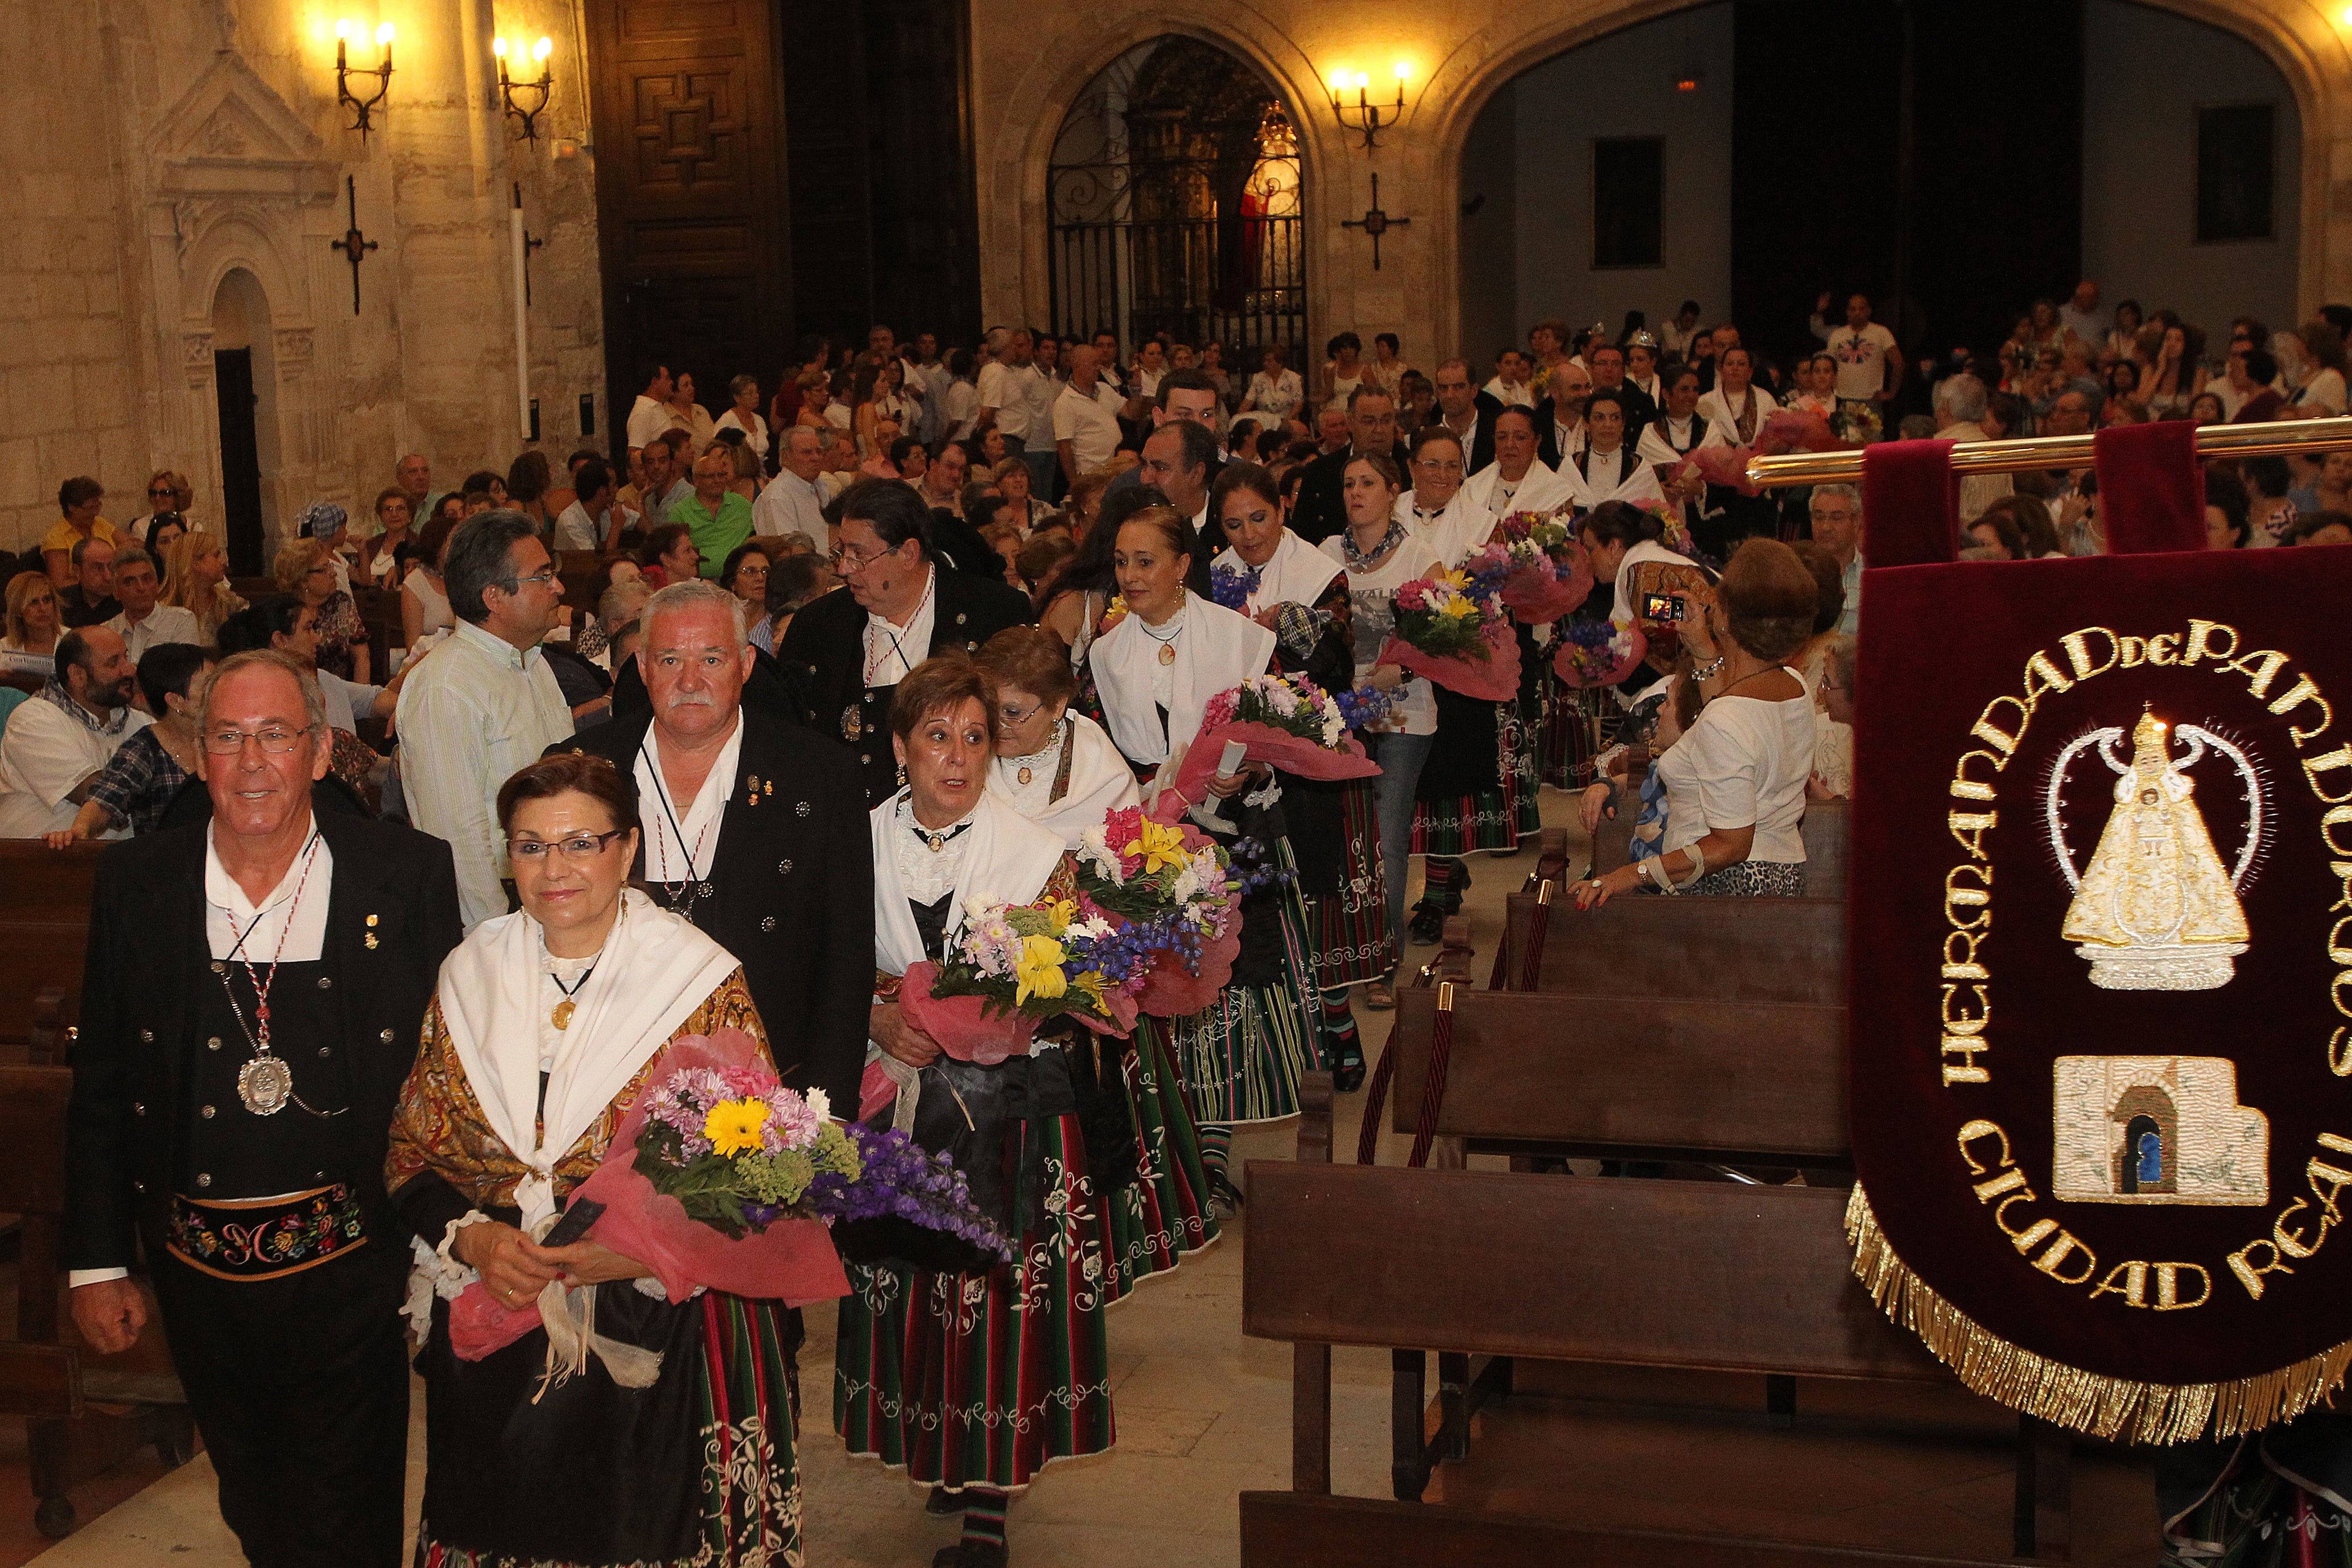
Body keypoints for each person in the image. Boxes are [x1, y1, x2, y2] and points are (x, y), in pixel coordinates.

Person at [62, 647, 459, 1566]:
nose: (252, 763)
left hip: (355, 1261)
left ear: (320, 750)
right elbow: (106, 1084)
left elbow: (443, 1076)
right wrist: (94, 1262)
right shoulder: (138, 884)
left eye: (275, 736)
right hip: (197, 1269)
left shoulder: (403, 874)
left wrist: (443, 1242)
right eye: (230, 738)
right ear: (199, 755)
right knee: (255, 1499)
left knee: (349, 1507)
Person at [388, 749, 804, 1567]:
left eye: (581, 843)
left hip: (662, 1324)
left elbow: (761, 1167)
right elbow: (410, 1156)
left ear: (628, 849)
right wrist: (471, 1240)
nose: (555, 870)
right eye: (531, 846)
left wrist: (638, 1250)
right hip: (501, 1304)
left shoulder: (695, 981)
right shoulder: (469, 974)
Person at [1081, 504, 1321, 1208]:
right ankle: (1177, 1153)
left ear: (1184, 565)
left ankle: (1212, 1152)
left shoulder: (1241, 637)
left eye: (1146, 560)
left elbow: (1275, 730)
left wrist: (1246, 771)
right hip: (1153, 840)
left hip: (1234, 830)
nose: (1130, 576)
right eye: (1121, 562)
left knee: (1228, 993)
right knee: (1169, 988)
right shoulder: (1104, 651)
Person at [562, 574, 872, 1119]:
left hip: (770, 1086)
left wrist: (827, 1113)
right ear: (640, 667)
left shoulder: (820, 775)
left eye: (711, 659)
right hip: (609, 1082)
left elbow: (845, 960)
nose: (690, 681)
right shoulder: (581, 767)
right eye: (668, 661)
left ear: (747, 665)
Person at [1212, 458, 1385, 1054]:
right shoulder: (1212, 576)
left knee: (1313, 886)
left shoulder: (1319, 571)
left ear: (1282, 511)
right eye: (1234, 524)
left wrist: (1286, 624)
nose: (1250, 534)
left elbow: (1341, 660)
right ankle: (1280, 1038)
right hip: (1242, 757)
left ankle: (1336, 1015)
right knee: (1258, 893)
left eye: (1260, 517)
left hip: (1310, 754)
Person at [1573, 539, 1820, 905]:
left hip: (1724, 890)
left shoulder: (1726, 719)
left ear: (1727, 616)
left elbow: (1729, 845)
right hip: (1779, 878)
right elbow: (1733, 715)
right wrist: (1703, 646)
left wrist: (1628, 875)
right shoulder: (1793, 685)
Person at [779, 478, 1033, 804]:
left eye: (859, 555)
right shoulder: (817, 626)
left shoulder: (995, 614)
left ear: (909, 553)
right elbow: (791, 739)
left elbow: (1022, 731)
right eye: (842, 552)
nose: (844, 569)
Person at [396, 510, 575, 927]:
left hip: (556, 885)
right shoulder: (446, 686)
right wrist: (496, 937)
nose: (558, 587)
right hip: (504, 906)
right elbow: (457, 838)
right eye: (543, 576)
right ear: (494, 596)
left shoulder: (533, 662)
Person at [1313, 455, 1437, 1000]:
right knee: (1341, 839)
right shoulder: (1323, 556)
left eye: (1368, 483)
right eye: (1348, 484)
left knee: (1386, 836)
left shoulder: (1419, 555)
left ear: (1393, 492)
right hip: (1337, 717)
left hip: (1403, 714)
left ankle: (1386, 960)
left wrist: (1403, 668)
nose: (1356, 492)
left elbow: (1444, 637)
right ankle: (1345, 950)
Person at [46, 643, 212, 844]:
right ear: (175, 701)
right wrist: (80, 830)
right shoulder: (145, 749)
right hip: (164, 864)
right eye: (209, 686)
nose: (220, 692)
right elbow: (106, 799)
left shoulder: (228, 738)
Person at [0, 626, 151, 837]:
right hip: (43, 863)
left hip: (118, 861)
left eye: (126, 658)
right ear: (78, 675)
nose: (130, 670)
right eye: (114, 662)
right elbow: (102, 796)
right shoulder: (33, 719)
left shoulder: (140, 720)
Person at [1289, 385, 1410, 546]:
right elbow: (1302, 540)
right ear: (1350, 422)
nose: (1379, 429)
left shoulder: (1412, 468)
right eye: (1369, 421)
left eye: (1386, 421)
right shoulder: (1320, 472)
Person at [277, 531, 371, 683]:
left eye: (331, 567)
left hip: (339, 687)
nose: (333, 573)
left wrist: (361, 695)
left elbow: (361, 656)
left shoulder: (341, 602)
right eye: (324, 569)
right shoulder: (287, 610)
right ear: (303, 580)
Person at [103, 544, 200, 661]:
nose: (141, 587)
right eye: (130, 582)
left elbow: (186, 672)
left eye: (147, 579)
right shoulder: (107, 632)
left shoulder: (181, 621)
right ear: (116, 592)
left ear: (158, 585)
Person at [670, 447, 754, 578]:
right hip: (698, 581)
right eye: (710, 476)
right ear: (696, 480)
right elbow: (673, 553)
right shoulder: (680, 511)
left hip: (739, 579)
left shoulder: (742, 505)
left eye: (721, 475)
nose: (717, 480)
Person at [1824, 293, 1901, 419]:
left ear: (1869, 311)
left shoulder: (1881, 333)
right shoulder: (1837, 335)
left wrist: (1892, 392)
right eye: (1853, 309)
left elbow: (1898, 362)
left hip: (1870, 401)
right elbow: (1829, 366)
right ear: (1847, 312)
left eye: (1861, 309)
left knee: (1871, 438)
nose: (1857, 313)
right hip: (1842, 399)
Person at [1808, 484, 1865, 636]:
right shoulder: (1797, 571)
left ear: (1857, 522)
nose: (1826, 527)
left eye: (1836, 518)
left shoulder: (1872, 574)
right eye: (1819, 517)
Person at [43, 476, 116, 588]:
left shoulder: (100, 523)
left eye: (98, 505)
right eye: (91, 507)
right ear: (72, 507)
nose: (96, 512)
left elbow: (129, 543)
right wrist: (95, 583)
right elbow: (60, 584)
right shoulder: (56, 538)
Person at [2, 570, 64, 677]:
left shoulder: (72, 641)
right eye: (34, 602)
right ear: (18, 609)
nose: (43, 609)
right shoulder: (4, 648)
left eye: (47, 600)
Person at [58, 535, 121, 628]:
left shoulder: (125, 600)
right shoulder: (61, 603)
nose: (108, 576)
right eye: (97, 568)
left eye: (111, 566)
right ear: (77, 571)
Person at [713, 371, 770, 462]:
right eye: (750, 393)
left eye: (756, 392)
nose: (756, 396)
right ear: (737, 398)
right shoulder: (727, 420)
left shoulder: (759, 420)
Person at [1241, 345, 1305, 426]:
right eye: (1264, 361)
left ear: (1280, 364)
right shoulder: (1258, 378)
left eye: (1269, 361)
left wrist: (1287, 421)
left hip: (1287, 423)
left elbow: (1298, 404)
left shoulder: (1293, 378)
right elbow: (1248, 401)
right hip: (1264, 424)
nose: (1265, 364)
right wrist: (1239, 417)